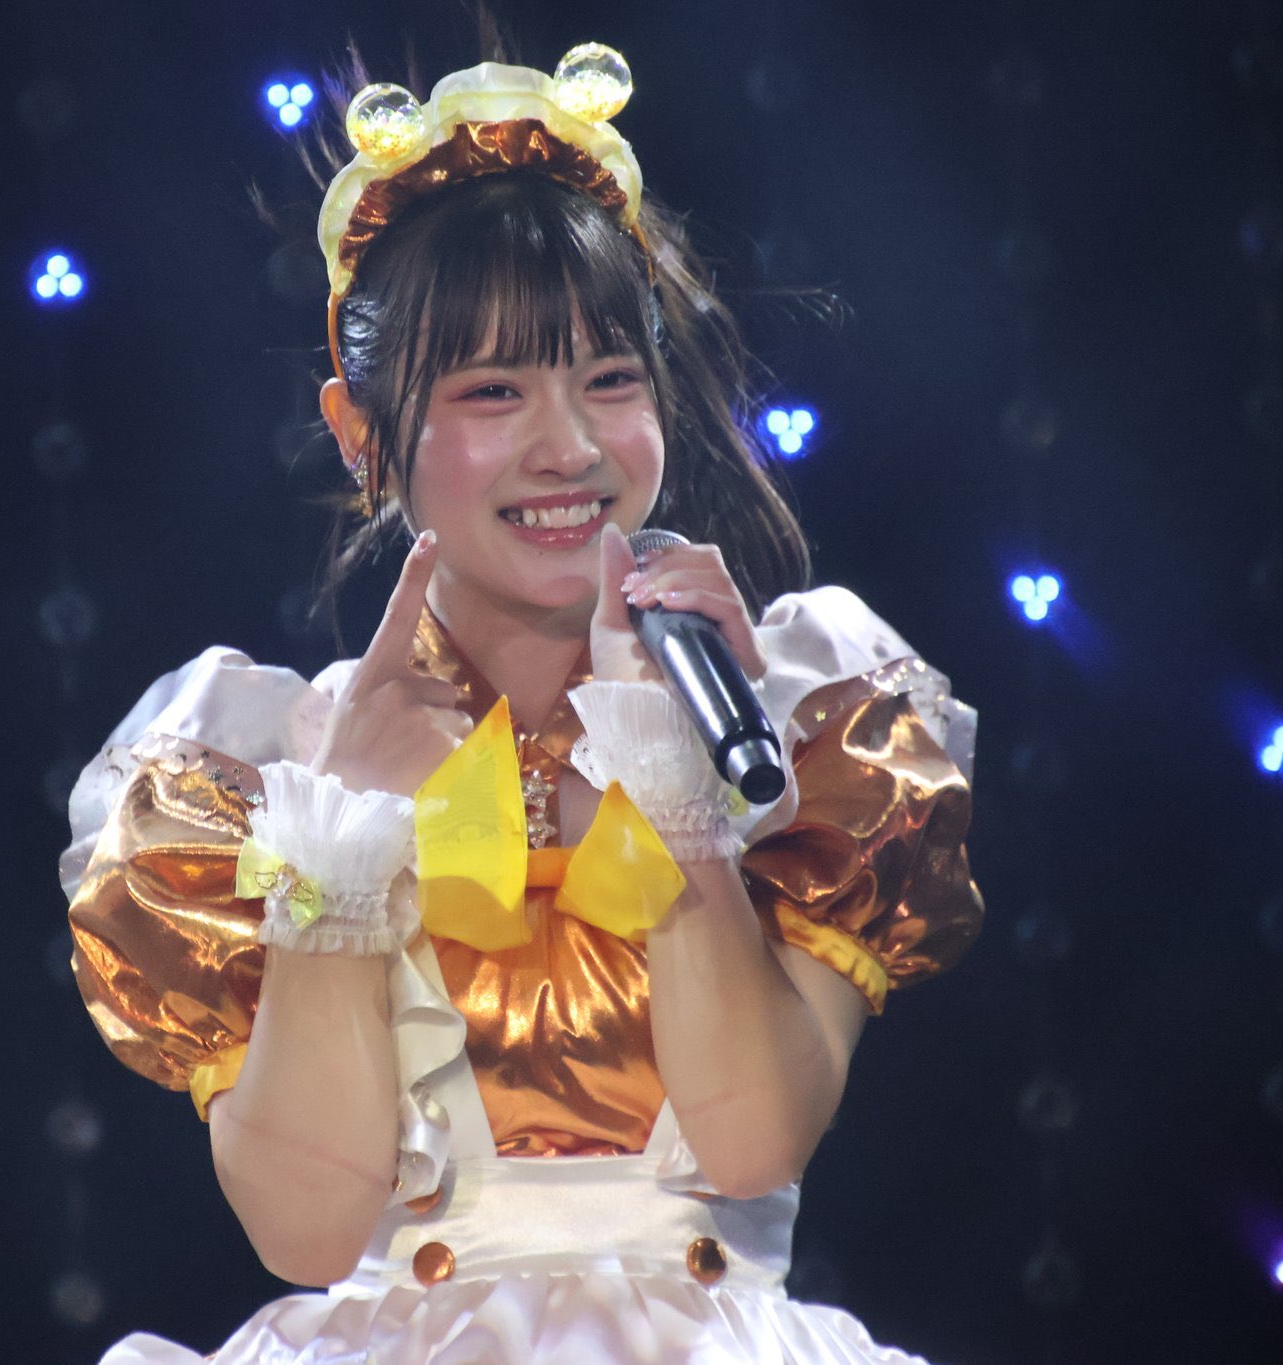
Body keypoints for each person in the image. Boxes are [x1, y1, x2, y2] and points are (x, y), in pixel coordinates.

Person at [60, 42, 982, 1364]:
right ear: (362, 432)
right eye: (494, 391)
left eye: (610, 379)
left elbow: (753, 1140)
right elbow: (306, 1228)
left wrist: (675, 783)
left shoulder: (780, 715)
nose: (571, 447)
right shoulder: (273, 767)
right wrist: (342, 847)